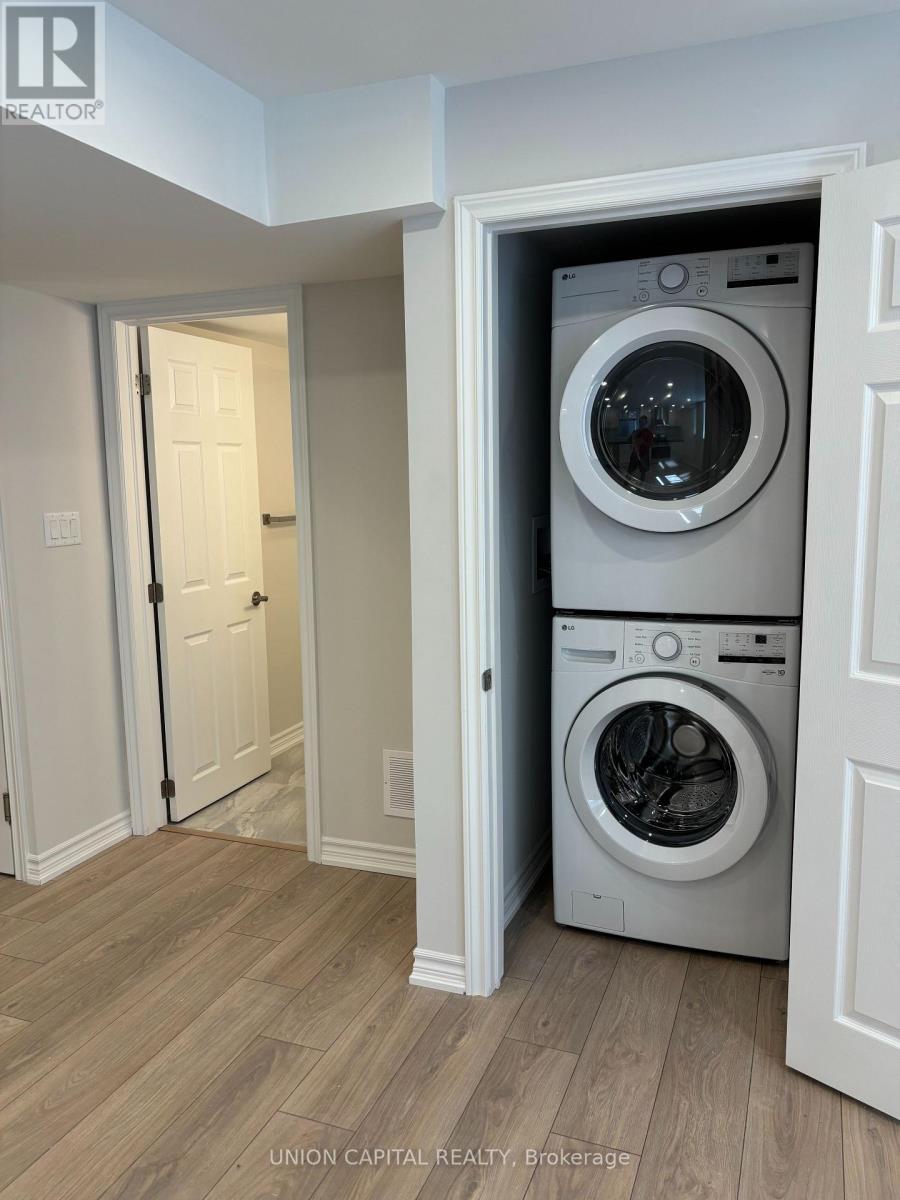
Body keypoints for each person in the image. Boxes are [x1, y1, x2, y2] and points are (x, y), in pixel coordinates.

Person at [628, 414, 653, 480]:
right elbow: (630, 440)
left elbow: (650, 444)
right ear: (639, 422)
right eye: (641, 422)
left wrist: (643, 442)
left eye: (644, 422)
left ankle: (641, 484)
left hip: (644, 454)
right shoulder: (636, 432)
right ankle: (626, 482)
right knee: (631, 469)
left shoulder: (649, 433)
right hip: (635, 454)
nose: (642, 423)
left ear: (646, 422)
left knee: (643, 471)